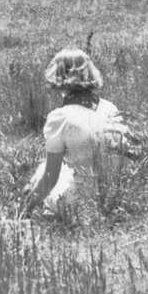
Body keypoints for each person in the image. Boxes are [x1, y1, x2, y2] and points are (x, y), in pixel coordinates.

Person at [23, 46, 130, 217]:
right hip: (115, 199)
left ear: (57, 75)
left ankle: (41, 211)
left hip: (82, 204)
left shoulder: (61, 118)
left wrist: (24, 210)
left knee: (45, 168)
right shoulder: (111, 108)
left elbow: (50, 177)